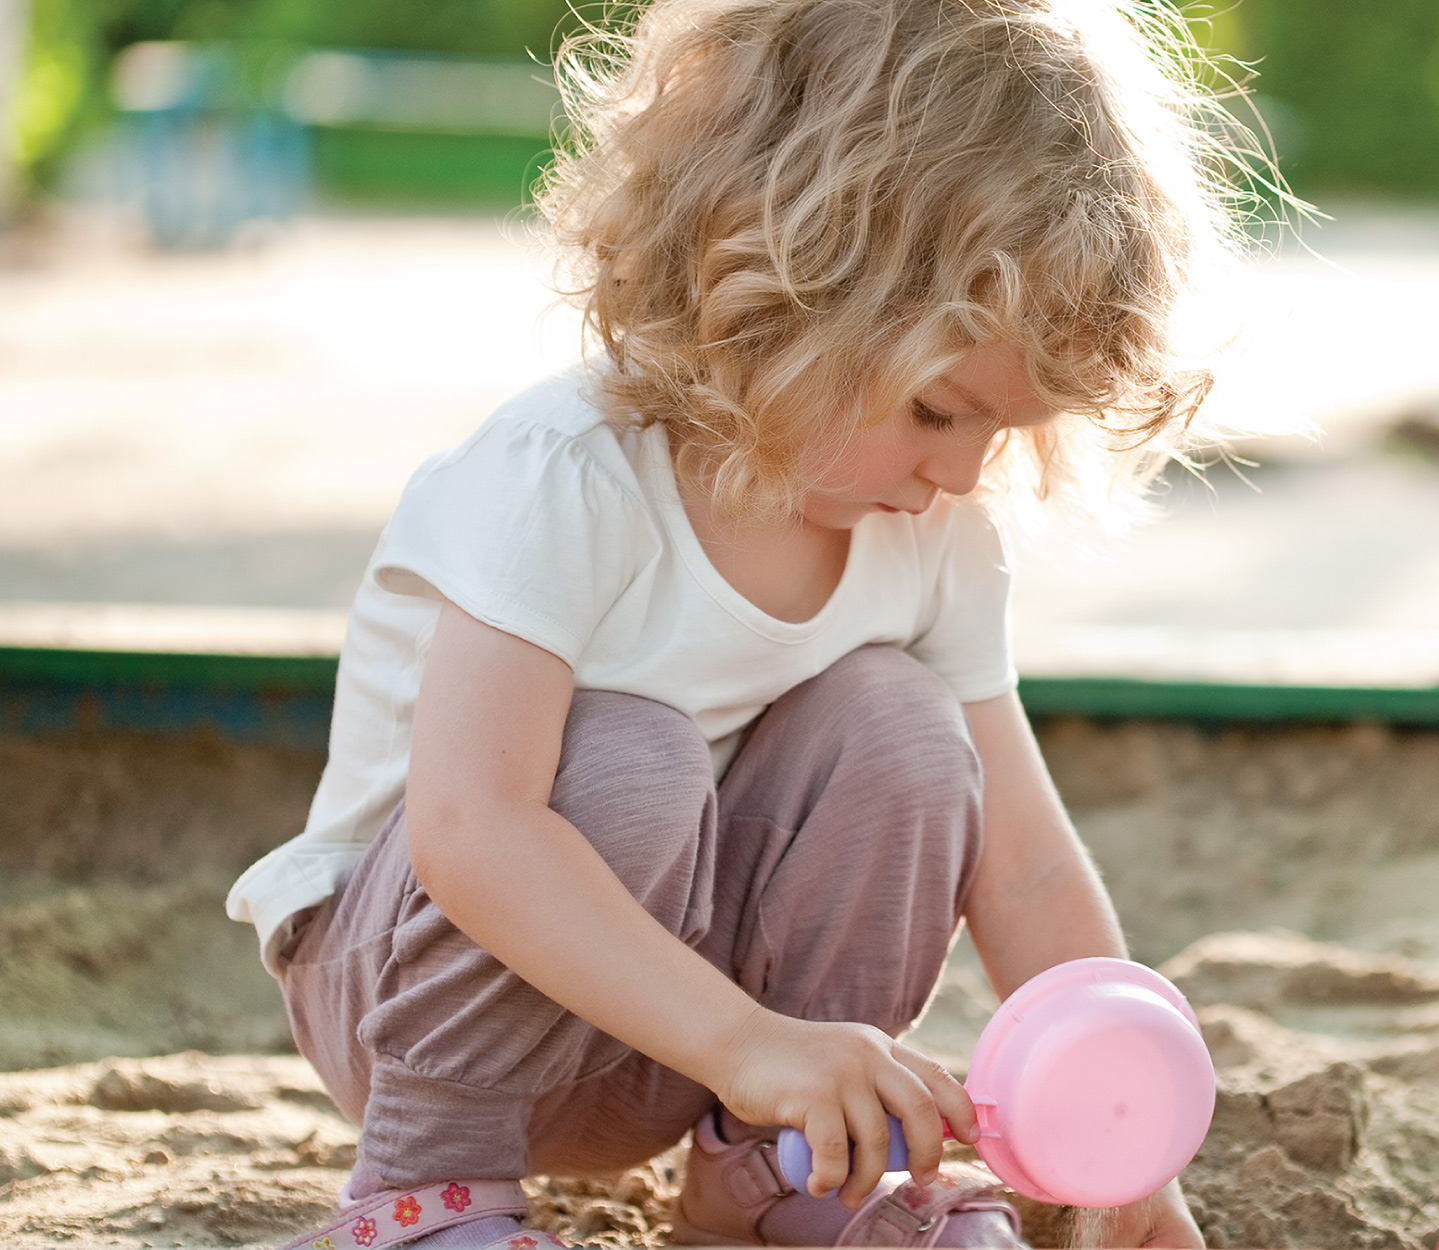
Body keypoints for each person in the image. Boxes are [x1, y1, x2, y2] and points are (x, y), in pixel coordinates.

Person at [225, 1, 1256, 1245]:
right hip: (416, 1000)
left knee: (910, 730)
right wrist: (747, 1038)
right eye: (937, 408)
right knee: (633, 755)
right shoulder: (569, 477)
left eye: (1002, 426)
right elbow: (469, 826)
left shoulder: (931, 538)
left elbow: (1025, 862)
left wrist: (1126, 1131)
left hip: (697, 1044)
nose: (964, 469)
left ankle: (784, 1174)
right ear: (779, 290)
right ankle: (421, 1192)